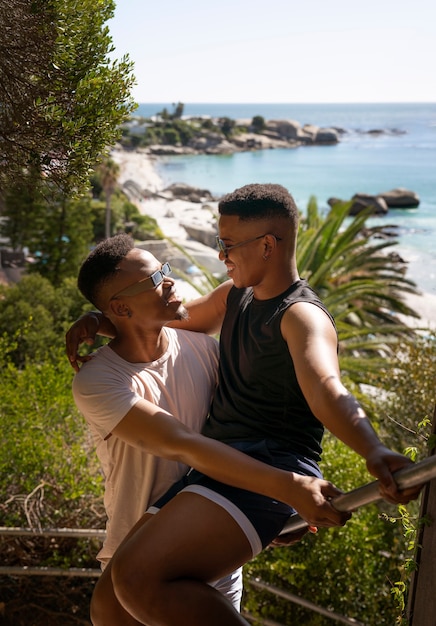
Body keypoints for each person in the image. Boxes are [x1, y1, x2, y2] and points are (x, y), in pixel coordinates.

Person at [67, 183, 421, 626]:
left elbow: (327, 388)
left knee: (138, 580)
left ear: (268, 245)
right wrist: (102, 318)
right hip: (219, 472)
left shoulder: (300, 316)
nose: (220, 254)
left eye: (228, 244)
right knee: (109, 606)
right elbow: (163, 315)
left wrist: (371, 450)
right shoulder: (234, 297)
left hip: (270, 467)